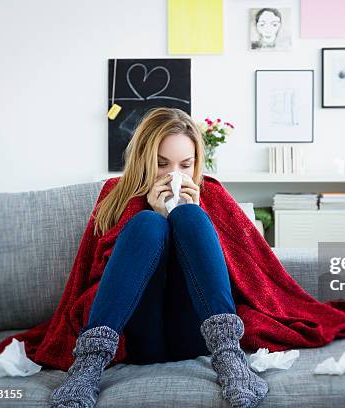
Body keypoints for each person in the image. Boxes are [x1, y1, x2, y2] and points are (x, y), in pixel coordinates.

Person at [48, 107, 268, 408]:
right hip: (136, 332)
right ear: (143, 159)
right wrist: (155, 214)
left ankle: (230, 357)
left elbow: (246, 268)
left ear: (196, 165)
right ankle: (88, 366)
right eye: (161, 164)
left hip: (195, 331)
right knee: (148, 224)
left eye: (185, 165)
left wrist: (188, 216)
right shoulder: (116, 194)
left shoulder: (211, 193)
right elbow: (94, 269)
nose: (173, 175)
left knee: (191, 216)